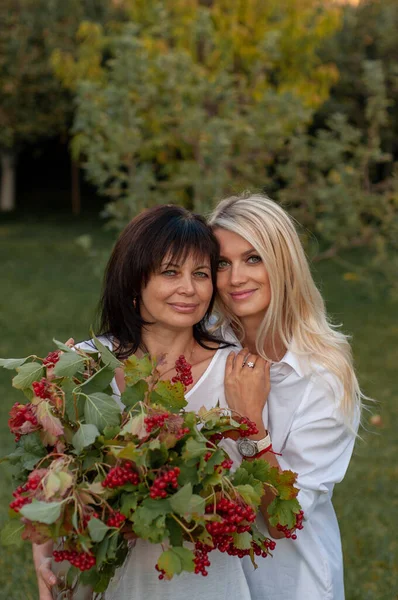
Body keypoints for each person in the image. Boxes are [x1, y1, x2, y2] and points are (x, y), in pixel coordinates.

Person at [33, 204, 253, 600]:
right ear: (134, 282)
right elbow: (55, 465)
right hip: (103, 579)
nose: (189, 288)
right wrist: (41, 552)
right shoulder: (86, 364)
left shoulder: (236, 370)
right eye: (171, 272)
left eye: (200, 274)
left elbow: (250, 495)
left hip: (204, 583)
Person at [208, 192, 363, 600]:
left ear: (283, 262)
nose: (236, 278)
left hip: (289, 580)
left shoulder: (323, 375)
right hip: (213, 574)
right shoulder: (208, 343)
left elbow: (283, 520)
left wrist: (251, 423)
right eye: (223, 263)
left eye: (253, 258)